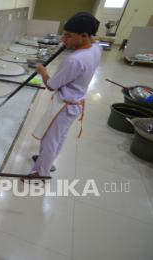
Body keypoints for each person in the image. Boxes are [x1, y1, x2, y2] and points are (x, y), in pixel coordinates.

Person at [25, 12, 102, 181]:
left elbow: (52, 85)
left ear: (83, 36)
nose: (63, 40)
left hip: (64, 106)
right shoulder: (96, 48)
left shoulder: (74, 60)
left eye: (68, 36)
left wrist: (43, 72)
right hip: (76, 102)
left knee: (49, 139)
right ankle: (47, 161)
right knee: (59, 137)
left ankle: (41, 172)